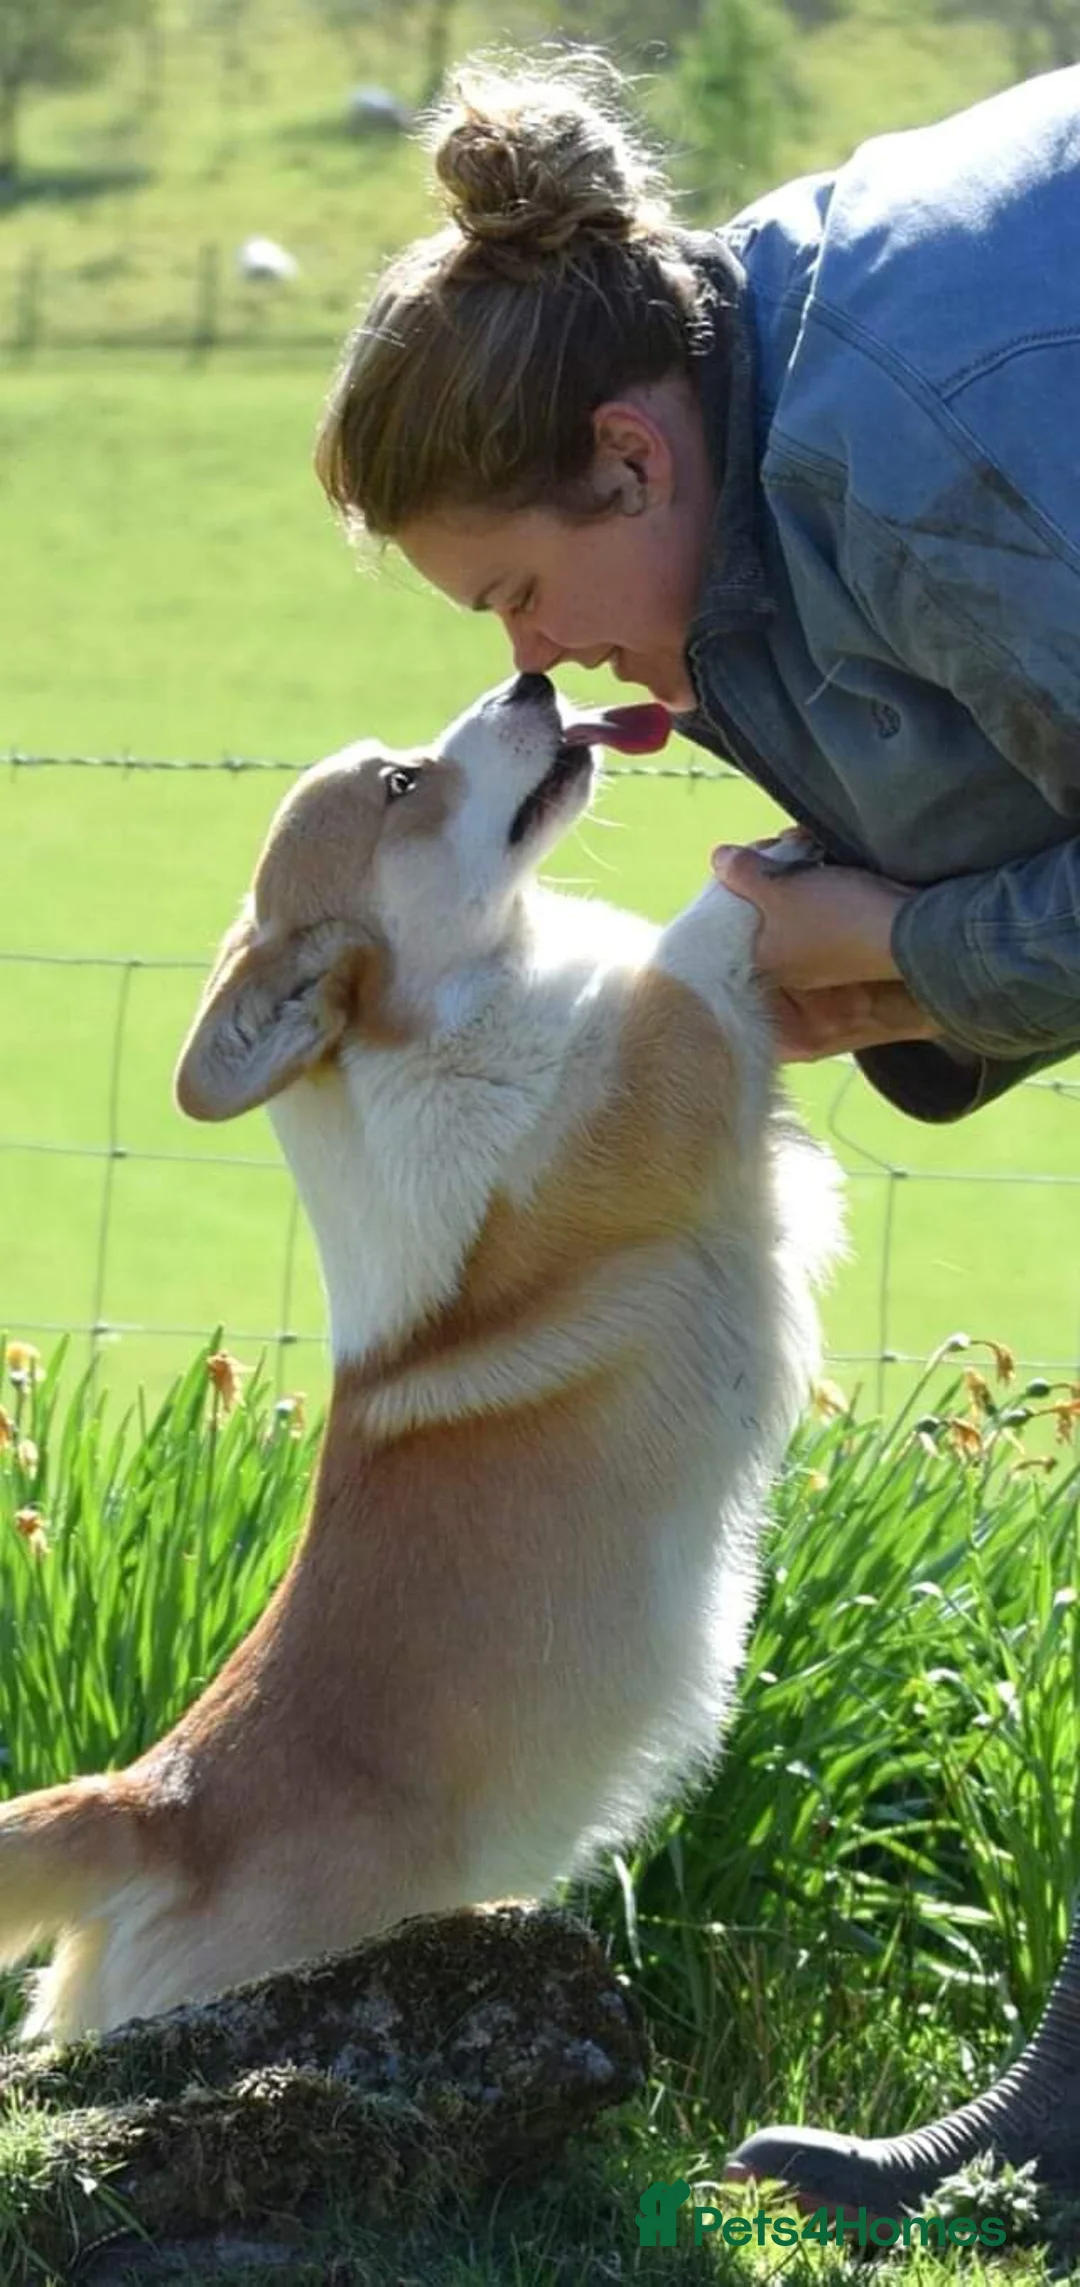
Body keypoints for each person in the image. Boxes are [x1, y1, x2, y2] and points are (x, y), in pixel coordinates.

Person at [312, 52, 1080, 2210]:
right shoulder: (779, 383)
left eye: (514, 602)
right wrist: (903, 970)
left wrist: (922, 936)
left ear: (627, 452)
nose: (541, 666)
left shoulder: (920, 452)